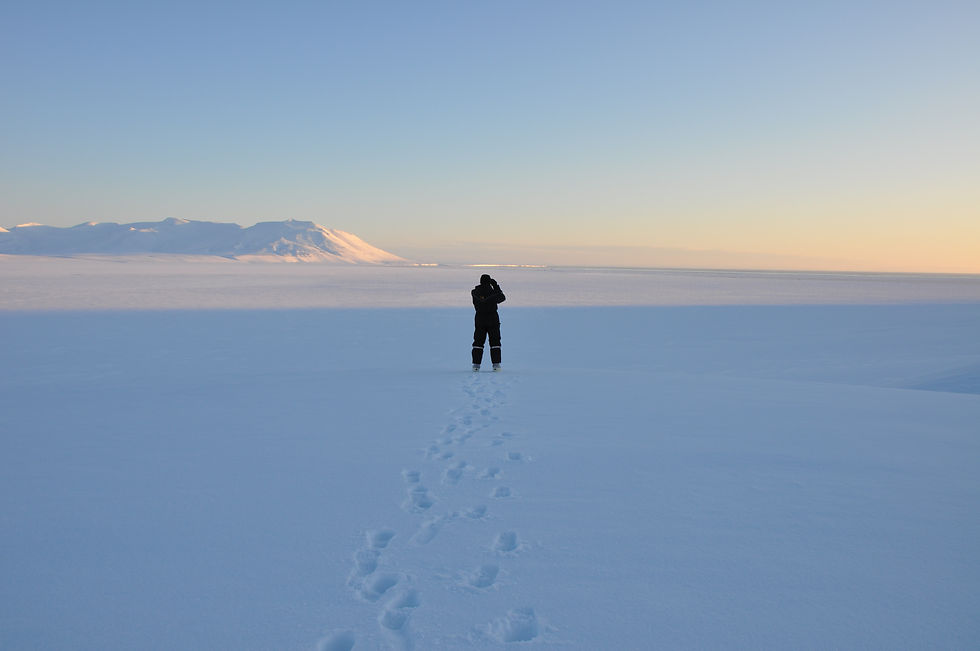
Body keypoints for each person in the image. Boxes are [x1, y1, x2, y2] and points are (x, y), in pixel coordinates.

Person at [471, 274, 505, 371]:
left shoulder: (474, 292)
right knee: (495, 341)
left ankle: (476, 365)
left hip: (479, 318)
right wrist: (496, 286)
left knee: (478, 341)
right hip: (492, 318)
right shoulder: (493, 292)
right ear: (489, 282)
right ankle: (496, 365)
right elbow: (502, 298)